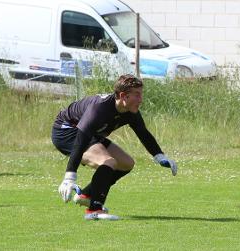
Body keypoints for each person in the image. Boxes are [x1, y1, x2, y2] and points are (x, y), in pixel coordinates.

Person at [51, 74, 178, 220]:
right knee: (108, 162)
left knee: (126, 163)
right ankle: (94, 211)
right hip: (66, 131)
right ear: (123, 96)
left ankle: (86, 195)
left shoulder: (130, 111)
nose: (141, 99)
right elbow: (81, 141)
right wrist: (69, 177)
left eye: (141, 94)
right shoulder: (99, 109)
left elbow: (143, 133)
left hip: (89, 134)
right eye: (137, 95)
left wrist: (159, 156)